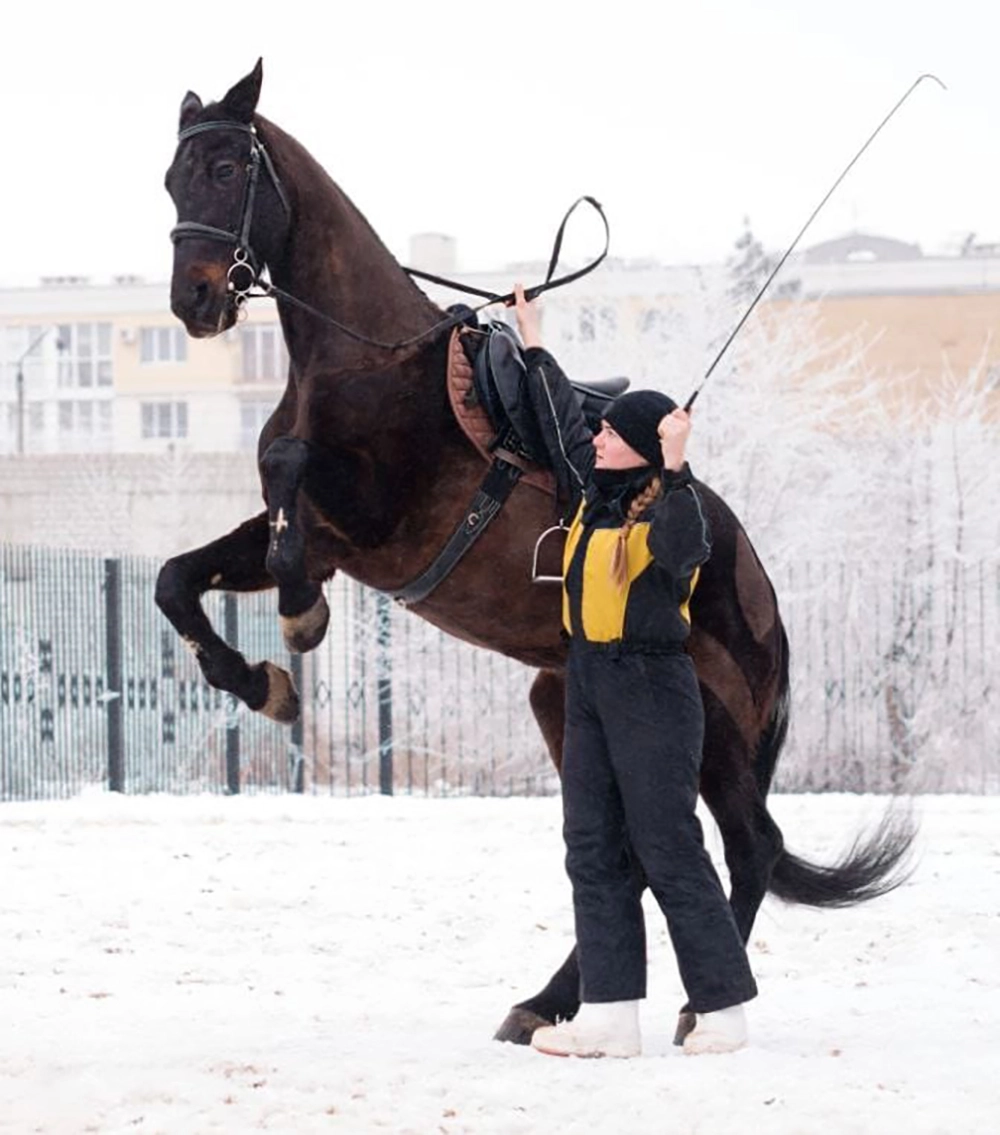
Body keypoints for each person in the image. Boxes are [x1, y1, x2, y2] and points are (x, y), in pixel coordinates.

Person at [511, 284, 757, 1058]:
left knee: (667, 842)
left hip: (652, 687)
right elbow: (557, 418)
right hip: (588, 681)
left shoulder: (670, 510)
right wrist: (534, 338)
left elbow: (687, 547)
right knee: (589, 843)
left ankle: (723, 1009)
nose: (599, 438)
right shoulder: (594, 499)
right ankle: (609, 1013)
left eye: (614, 433)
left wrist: (679, 467)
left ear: (648, 445)